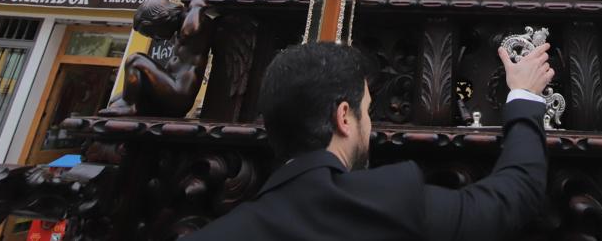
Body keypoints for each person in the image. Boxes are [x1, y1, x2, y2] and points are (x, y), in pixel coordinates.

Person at [183, 40, 554, 241]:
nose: (371, 126)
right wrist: (524, 97)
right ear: (344, 117)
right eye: (367, 110)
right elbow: (512, 197)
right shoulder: (389, 200)